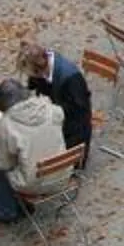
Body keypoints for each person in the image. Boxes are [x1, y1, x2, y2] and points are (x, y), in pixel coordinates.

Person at [0, 80, 64, 225]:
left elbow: (0, 163)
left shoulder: (5, 125)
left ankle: (6, 211)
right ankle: (16, 205)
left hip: (35, 183)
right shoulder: (51, 109)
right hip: (63, 171)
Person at [24, 42, 93, 173]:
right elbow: (33, 85)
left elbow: (80, 109)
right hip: (54, 114)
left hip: (75, 127)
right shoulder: (44, 67)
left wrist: (49, 109)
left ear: (40, 68)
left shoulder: (71, 77)